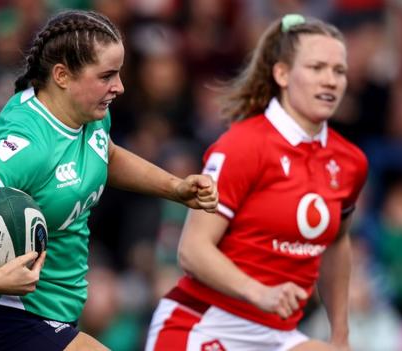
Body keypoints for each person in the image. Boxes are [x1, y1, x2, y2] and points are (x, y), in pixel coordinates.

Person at [0, 10, 218, 351]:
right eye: (107, 76)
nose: (119, 87)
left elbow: (106, 155)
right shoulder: (30, 146)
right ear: (62, 75)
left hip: (59, 315)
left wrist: (175, 188)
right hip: (12, 322)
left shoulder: (90, 113)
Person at [145, 13, 368, 351]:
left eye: (339, 71)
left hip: (278, 336)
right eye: (317, 68)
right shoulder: (244, 145)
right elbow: (192, 251)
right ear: (281, 73)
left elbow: (337, 245)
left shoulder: (350, 162)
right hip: (205, 325)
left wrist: (340, 335)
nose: (331, 80)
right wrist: (261, 292)